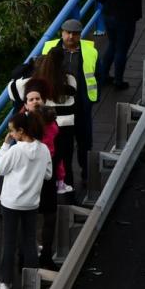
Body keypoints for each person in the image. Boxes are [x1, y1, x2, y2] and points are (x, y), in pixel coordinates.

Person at [0, 111, 52, 289]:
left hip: (11, 202)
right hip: (32, 202)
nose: (11, 134)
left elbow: (0, 169)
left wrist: (4, 146)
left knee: (9, 242)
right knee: (29, 242)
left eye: (12, 131)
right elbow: (48, 174)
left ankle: (6, 282)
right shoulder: (43, 149)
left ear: (21, 131)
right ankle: (32, 281)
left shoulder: (15, 150)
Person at [9, 49, 78, 195]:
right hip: (65, 127)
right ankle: (68, 195)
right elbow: (74, 91)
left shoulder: (29, 84)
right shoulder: (70, 79)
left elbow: (12, 89)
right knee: (64, 162)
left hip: (38, 129)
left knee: (36, 166)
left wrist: (28, 66)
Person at [40, 19, 98, 189]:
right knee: (61, 145)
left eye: (75, 34)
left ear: (80, 35)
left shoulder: (89, 50)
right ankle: (63, 180)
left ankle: (86, 174)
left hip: (81, 105)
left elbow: (98, 73)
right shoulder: (49, 48)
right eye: (67, 32)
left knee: (85, 142)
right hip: (58, 108)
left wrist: (92, 98)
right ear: (62, 32)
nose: (70, 36)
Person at [19, 83, 66, 269]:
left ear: (43, 100)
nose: (35, 101)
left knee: (50, 216)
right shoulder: (22, 123)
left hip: (49, 170)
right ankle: (23, 257)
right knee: (27, 218)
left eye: (37, 98)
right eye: (31, 99)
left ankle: (46, 255)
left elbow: (58, 148)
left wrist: (60, 174)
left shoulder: (51, 119)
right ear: (26, 103)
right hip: (30, 173)